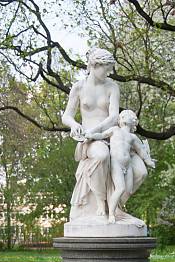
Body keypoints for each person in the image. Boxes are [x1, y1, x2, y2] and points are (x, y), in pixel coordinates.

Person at [62, 48, 148, 226]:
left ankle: (117, 207)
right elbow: (67, 115)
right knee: (102, 155)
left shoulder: (111, 87)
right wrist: (75, 125)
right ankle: (102, 204)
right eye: (106, 68)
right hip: (90, 140)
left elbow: (114, 117)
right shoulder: (79, 87)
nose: (109, 72)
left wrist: (95, 130)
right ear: (95, 65)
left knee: (141, 171)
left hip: (112, 135)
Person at [87, 110, 156, 223]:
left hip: (127, 166)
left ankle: (118, 208)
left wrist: (149, 162)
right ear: (122, 119)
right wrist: (91, 136)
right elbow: (102, 135)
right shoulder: (115, 130)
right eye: (128, 116)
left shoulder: (133, 137)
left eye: (132, 117)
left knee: (128, 190)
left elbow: (141, 151)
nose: (132, 118)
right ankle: (111, 214)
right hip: (116, 164)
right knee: (120, 188)